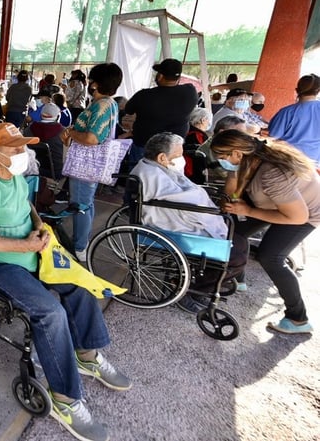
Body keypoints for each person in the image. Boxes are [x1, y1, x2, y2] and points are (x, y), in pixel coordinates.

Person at [0, 122, 131, 441]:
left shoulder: (13, 177)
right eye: (17, 149)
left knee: (80, 284)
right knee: (51, 312)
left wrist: (40, 228)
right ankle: (65, 400)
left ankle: (88, 356)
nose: (24, 153)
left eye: (24, 147)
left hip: (32, 252)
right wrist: (25, 245)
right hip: (1, 264)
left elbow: (27, 208)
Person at [211, 129, 320, 335]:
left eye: (222, 156)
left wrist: (249, 210)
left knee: (271, 257)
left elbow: (297, 217)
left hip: (305, 212)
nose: (219, 161)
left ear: (237, 153)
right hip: (275, 204)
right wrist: (233, 173)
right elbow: (231, 193)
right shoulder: (247, 161)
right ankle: (237, 277)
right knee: (232, 228)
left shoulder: (271, 173)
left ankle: (298, 318)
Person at [130, 133, 248, 313]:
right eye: (177, 156)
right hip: (166, 224)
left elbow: (181, 192)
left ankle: (204, 282)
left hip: (175, 215)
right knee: (234, 257)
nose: (180, 159)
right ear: (162, 157)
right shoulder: (151, 173)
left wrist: (199, 194)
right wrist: (202, 199)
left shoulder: (156, 166)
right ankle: (193, 292)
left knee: (240, 243)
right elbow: (181, 199)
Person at [61, 62, 124, 260]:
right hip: (90, 165)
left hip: (85, 165)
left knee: (80, 204)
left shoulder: (102, 105)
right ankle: (82, 242)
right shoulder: (110, 104)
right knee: (86, 203)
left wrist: (71, 132)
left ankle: (79, 248)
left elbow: (92, 139)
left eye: (91, 80)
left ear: (96, 84)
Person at [123, 58, 198, 167]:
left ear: (160, 76)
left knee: (139, 179)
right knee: (170, 181)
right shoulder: (190, 92)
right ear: (178, 78)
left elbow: (128, 109)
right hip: (174, 149)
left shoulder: (144, 95)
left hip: (145, 147)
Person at [268, 74, 320, 167]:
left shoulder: (287, 111)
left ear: (297, 90)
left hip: (287, 162)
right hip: (314, 164)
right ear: (318, 91)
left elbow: (273, 135)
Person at [183, 107, 212, 181]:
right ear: (203, 120)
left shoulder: (187, 131)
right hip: (195, 172)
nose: (209, 123)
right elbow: (201, 154)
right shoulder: (197, 135)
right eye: (208, 120)